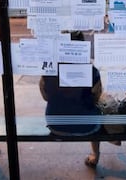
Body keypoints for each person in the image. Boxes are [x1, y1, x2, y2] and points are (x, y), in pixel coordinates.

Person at [39, 31, 103, 168]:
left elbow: (45, 97)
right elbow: (97, 98)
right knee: (98, 111)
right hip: (87, 127)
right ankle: (95, 155)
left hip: (55, 124)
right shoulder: (92, 71)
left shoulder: (49, 69)